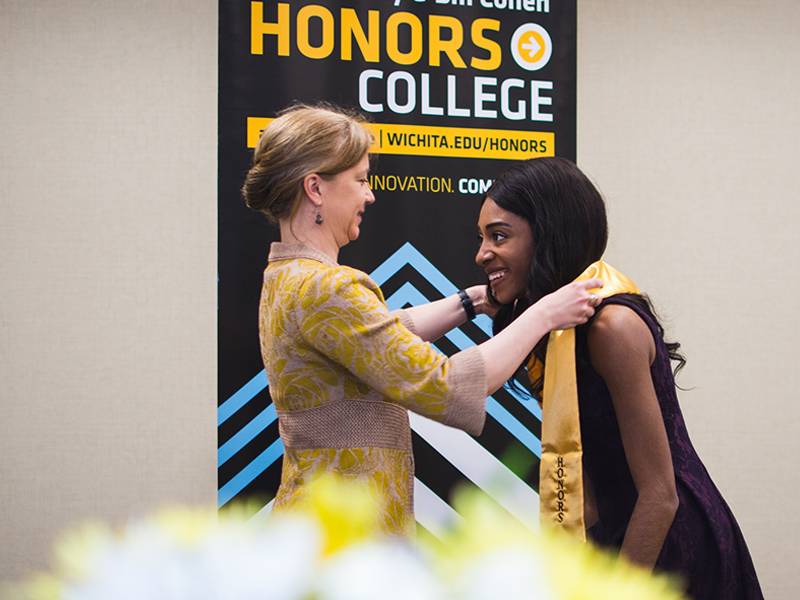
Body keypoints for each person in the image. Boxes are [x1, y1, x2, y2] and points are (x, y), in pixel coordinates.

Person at [240, 104, 602, 536]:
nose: (369, 195)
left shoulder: (286, 276)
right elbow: (444, 387)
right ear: (315, 188)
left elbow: (380, 341)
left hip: (319, 523)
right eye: (360, 180)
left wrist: (471, 302)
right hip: (346, 535)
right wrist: (545, 313)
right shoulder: (328, 288)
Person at [475, 156, 762, 599]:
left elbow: (659, 495)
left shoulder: (611, 328)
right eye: (482, 238)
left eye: (499, 236)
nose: (481, 254)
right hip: (615, 538)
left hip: (665, 550)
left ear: (549, 234)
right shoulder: (552, 326)